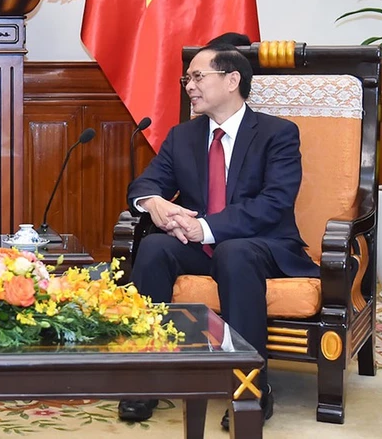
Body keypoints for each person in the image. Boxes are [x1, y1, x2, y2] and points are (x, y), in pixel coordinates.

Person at [117, 37, 319, 430]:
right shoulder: (183, 136)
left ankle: (251, 388)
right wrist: (154, 204)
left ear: (231, 80)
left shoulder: (277, 134)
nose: (189, 86)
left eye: (197, 77)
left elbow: (274, 203)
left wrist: (204, 227)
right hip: (199, 245)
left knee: (235, 253)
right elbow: (144, 186)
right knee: (155, 246)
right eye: (186, 79)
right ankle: (147, 379)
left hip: (261, 245)